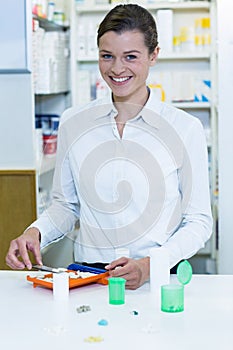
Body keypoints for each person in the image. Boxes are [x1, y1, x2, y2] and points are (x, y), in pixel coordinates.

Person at [5, 4, 212, 289]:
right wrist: (35, 232)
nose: (117, 69)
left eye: (131, 57)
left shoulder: (184, 129)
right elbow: (66, 205)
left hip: (157, 278)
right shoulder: (73, 123)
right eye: (107, 56)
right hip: (88, 277)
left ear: (154, 55)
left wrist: (152, 265)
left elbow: (198, 221)